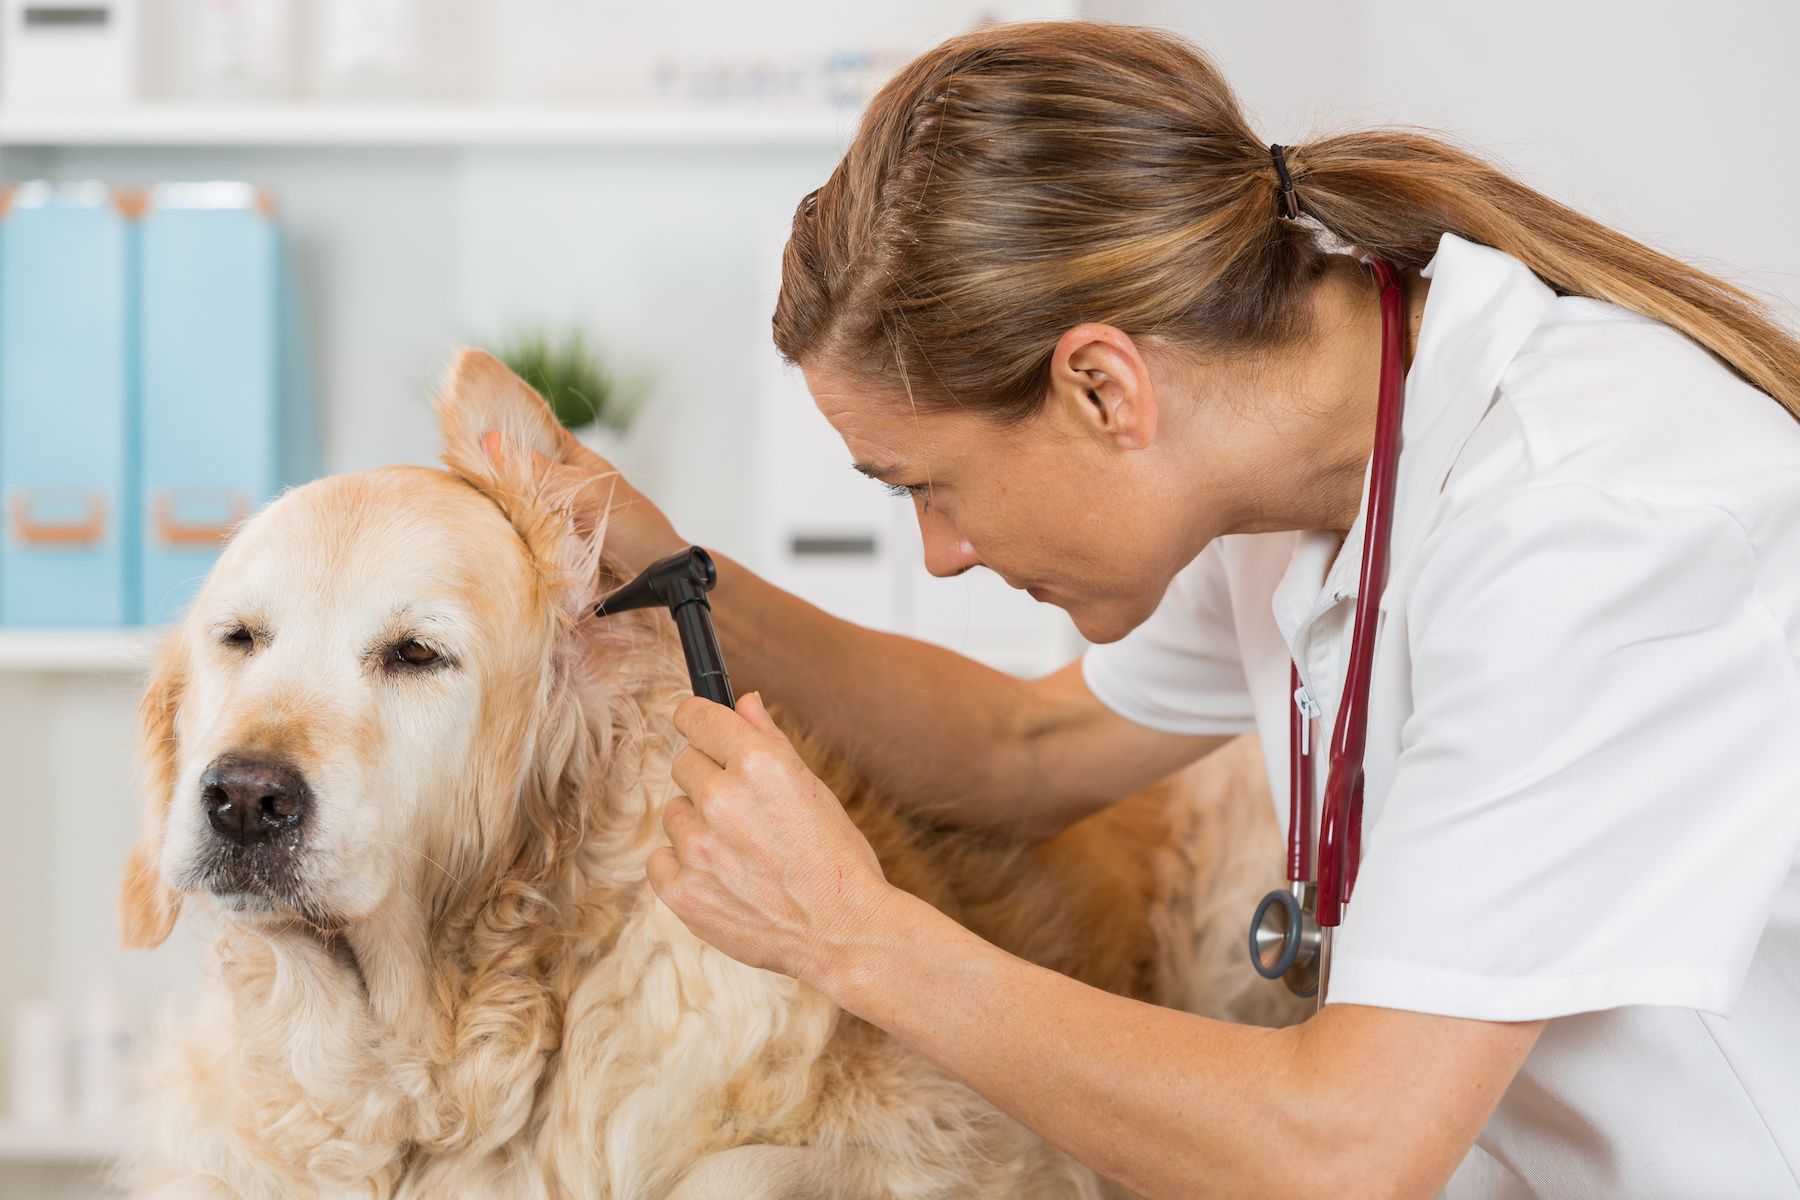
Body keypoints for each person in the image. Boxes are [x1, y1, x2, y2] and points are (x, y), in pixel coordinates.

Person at [533, 23, 1800, 1199]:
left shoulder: (1587, 531)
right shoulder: (1292, 457)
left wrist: (851, 938)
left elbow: (1347, 1148)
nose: (941, 555)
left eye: (929, 486)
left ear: (1102, 388)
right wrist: (655, 556)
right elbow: (1019, 751)